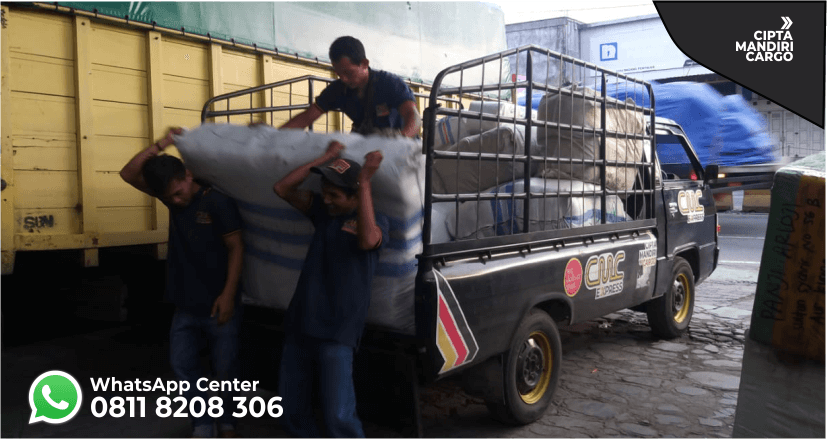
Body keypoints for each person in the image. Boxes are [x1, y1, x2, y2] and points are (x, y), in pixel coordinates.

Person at [120, 128, 244, 439]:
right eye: (168, 197)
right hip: (185, 304)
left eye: (178, 192)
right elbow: (128, 172)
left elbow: (236, 247)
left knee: (225, 371)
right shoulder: (171, 198)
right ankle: (202, 425)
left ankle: (227, 424)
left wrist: (228, 296)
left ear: (188, 175)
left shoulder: (216, 202)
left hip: (219, 303)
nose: (175, 200)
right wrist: (162, 144)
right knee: (183, 368)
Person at [273, 140, 388, 438]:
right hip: (300, 321)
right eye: (324, 193)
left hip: (338, 330)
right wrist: (325, 157)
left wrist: (364, 182)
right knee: (291, 407)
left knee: (339, 413)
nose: (326, 200)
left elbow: (367, 241)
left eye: (334, 195)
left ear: (355, 197)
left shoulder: (374, 223)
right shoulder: (323, 214)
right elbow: (282, 189)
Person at [281, 36, 421, 138]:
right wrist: (271, 136)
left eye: (348, 73)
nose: (343, 79)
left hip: (403, 148)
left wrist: (401, 137)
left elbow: (413, 116)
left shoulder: (390, 84)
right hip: (368, 146)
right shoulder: (338, 89)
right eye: (338, 73)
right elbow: (307, 117)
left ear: (364, 64)